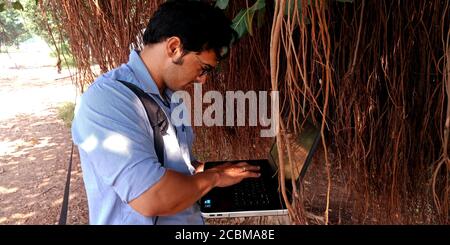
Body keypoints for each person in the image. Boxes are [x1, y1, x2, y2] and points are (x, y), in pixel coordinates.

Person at [71, 0, 260, 225]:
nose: (202, 80)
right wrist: (216, 178)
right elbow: (152, 196)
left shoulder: (172, 95)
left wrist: (212, 170)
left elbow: (178, 164)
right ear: (174, 48)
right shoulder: (107, 100)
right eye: (203, 68)